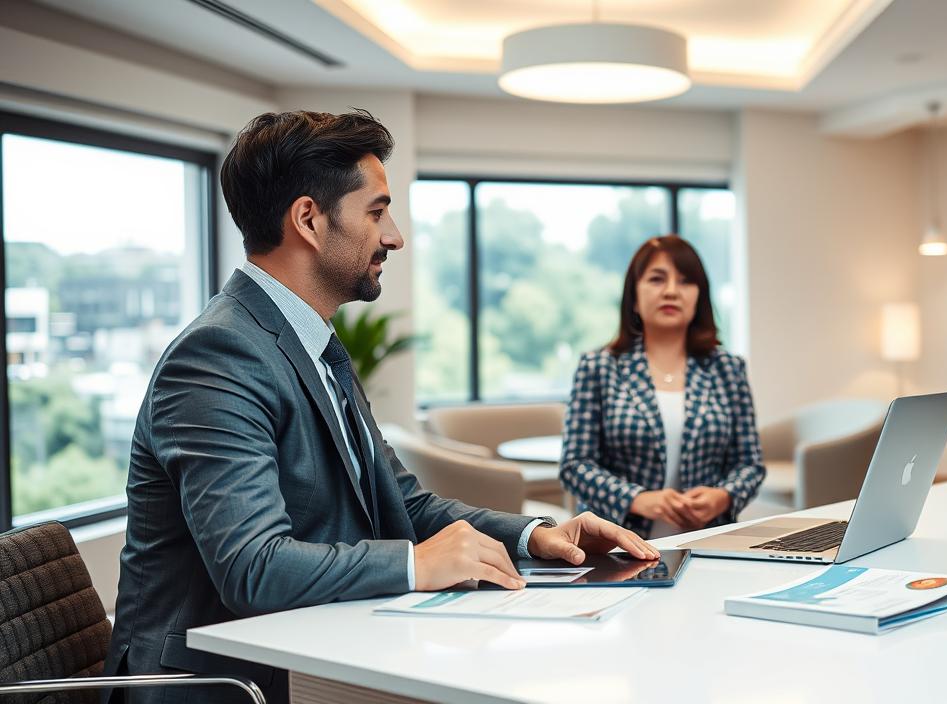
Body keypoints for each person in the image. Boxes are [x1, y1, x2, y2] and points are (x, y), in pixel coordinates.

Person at [104, 110, 656, 704]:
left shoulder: (312, 345)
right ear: (308, 219)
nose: (394, 236)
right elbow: (252, 567)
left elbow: (404, 502)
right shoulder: (218, 354)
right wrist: (416, 565)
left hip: (309, 654)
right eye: (376, 212)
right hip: (220, 685)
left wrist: (535, 537)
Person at [560, 235, 766, 539]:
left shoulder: (728, 368)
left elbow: (750, 464)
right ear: (634, 296)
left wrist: (723, 496)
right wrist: (637, 499)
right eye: (657, 279)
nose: (671, 291)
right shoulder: (598, 367)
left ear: (699, 297)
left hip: (706, 541)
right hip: (616, 543)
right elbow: (575, 465)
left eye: (685, 281)